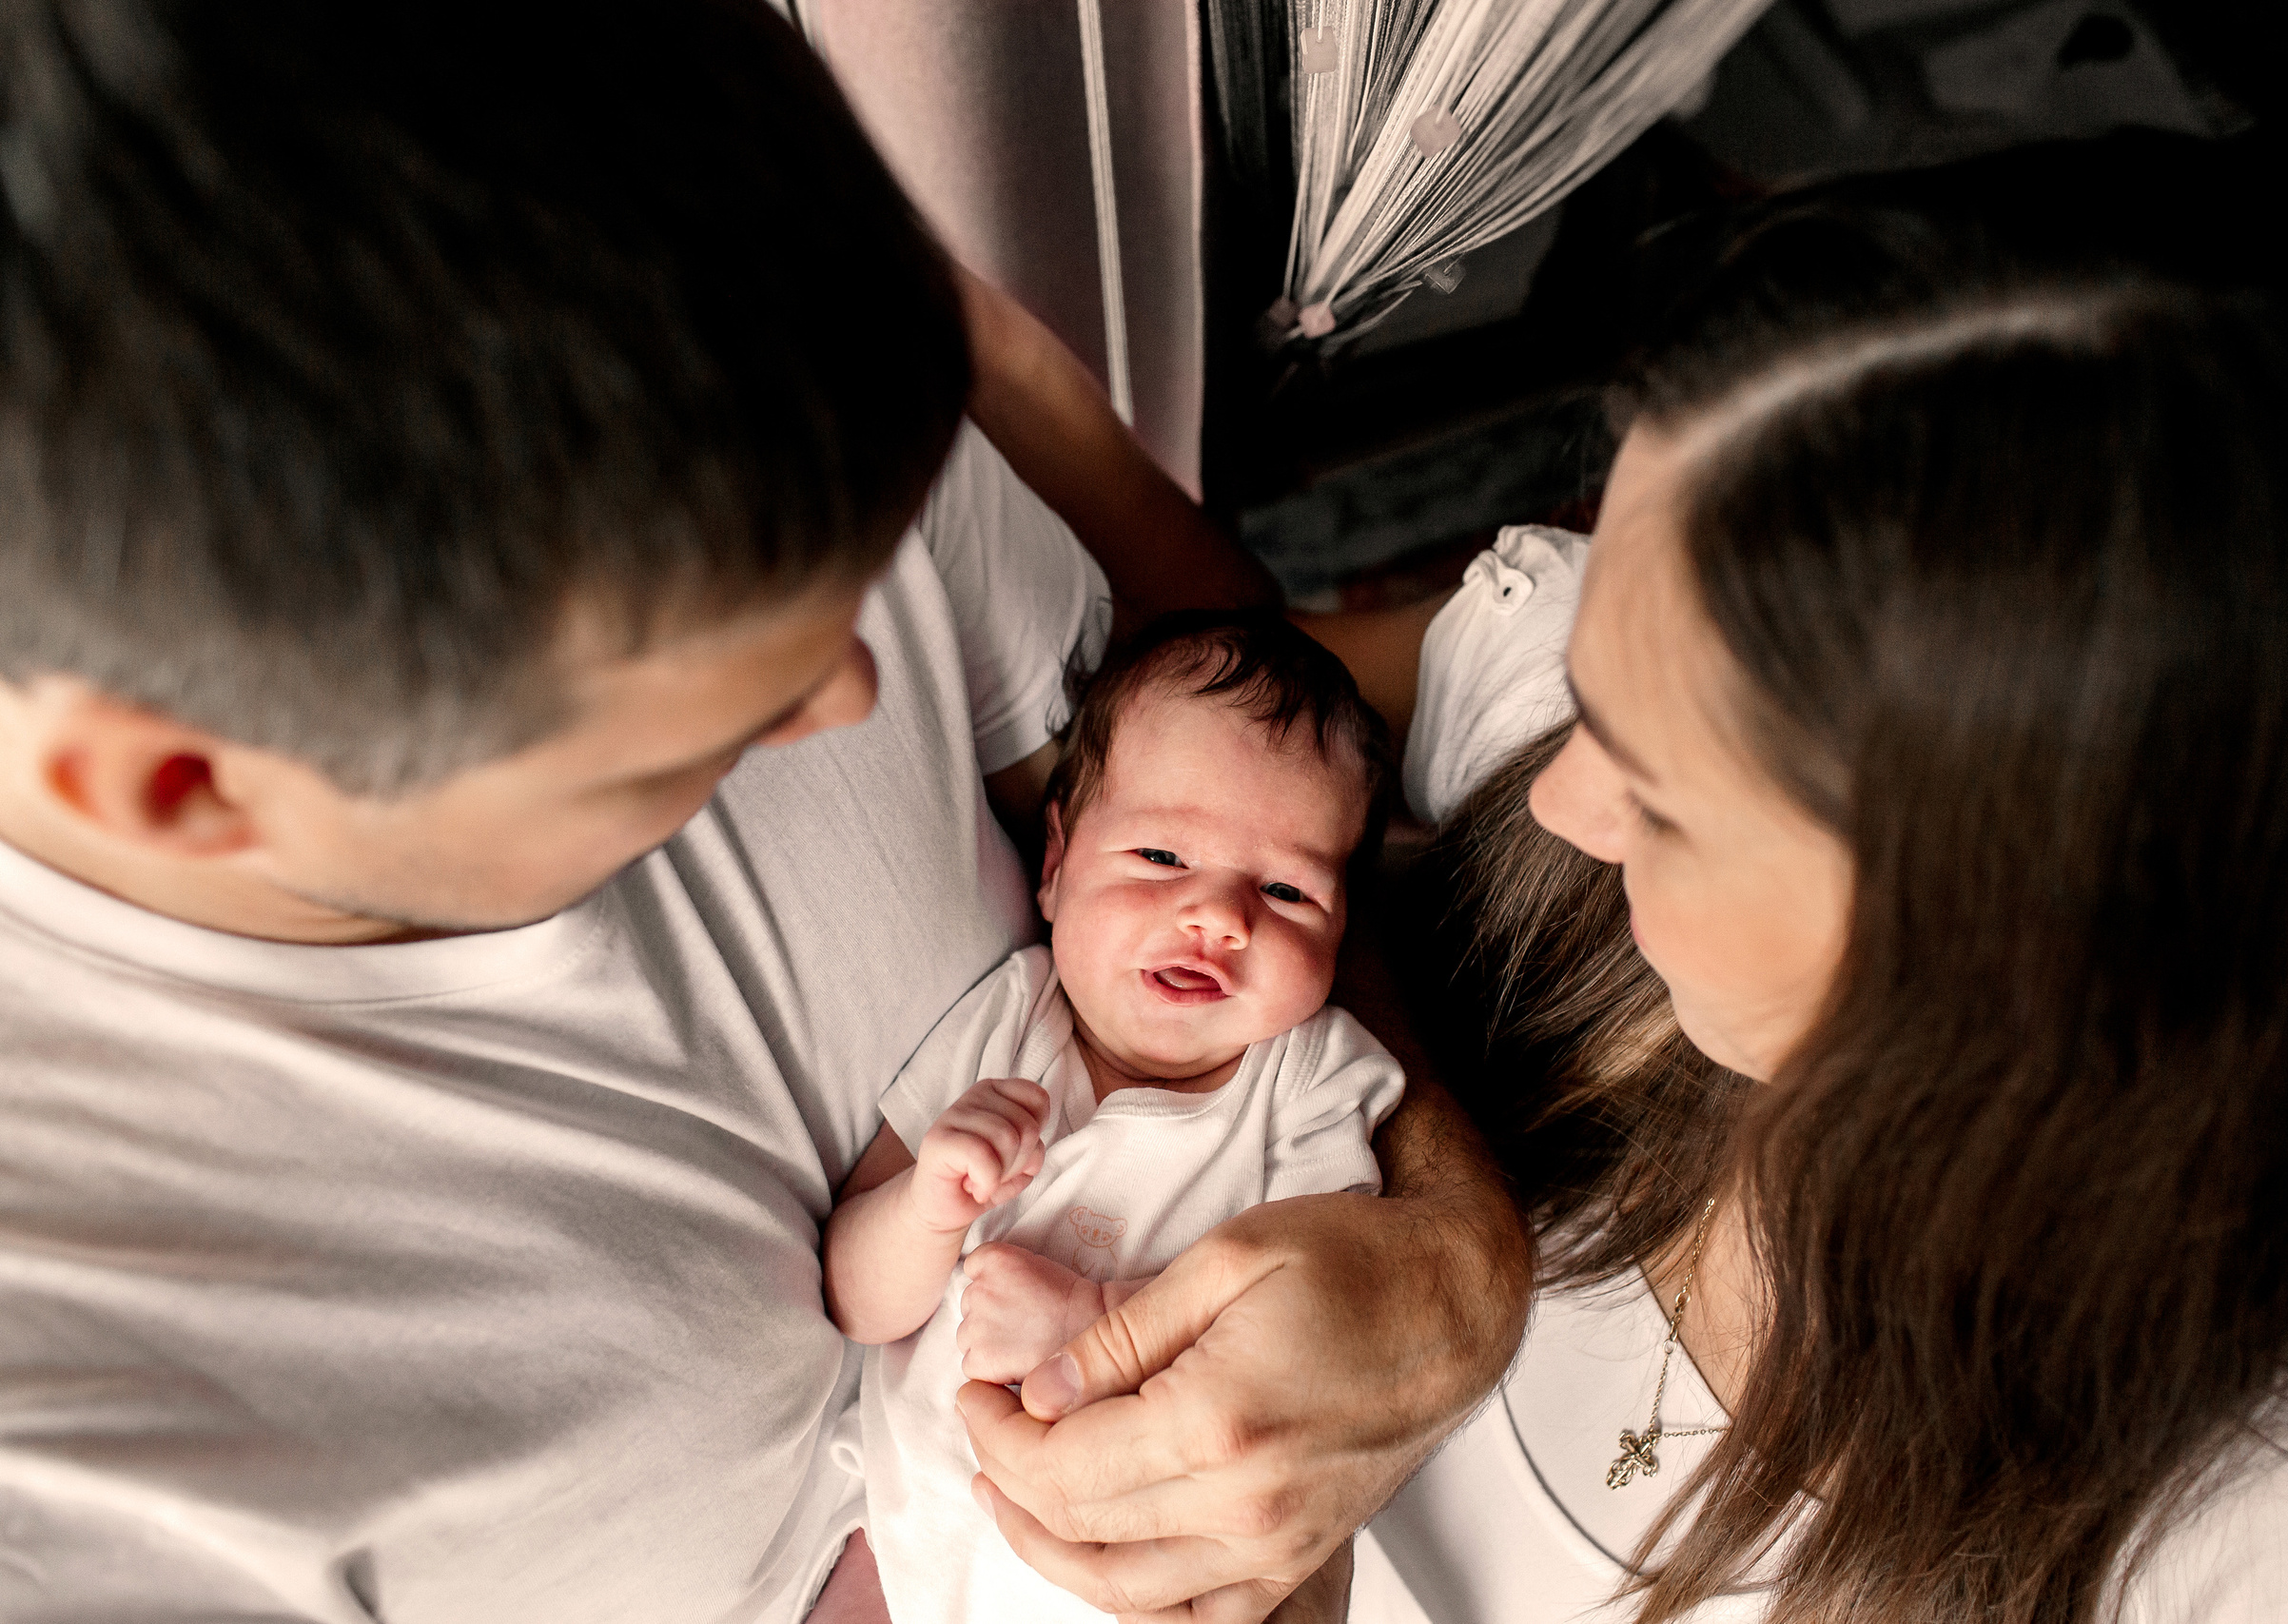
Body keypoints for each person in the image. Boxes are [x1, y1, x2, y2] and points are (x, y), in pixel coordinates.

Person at [0, 5, 1529, 1621]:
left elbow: (1219, 761)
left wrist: (1453, 1248)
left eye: (858, 585)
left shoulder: (765, 380)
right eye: (708, 711)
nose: (852, 698)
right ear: (189, 788)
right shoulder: (75, 1471)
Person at [1305, 134, 2288, 1622]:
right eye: (1590, 685)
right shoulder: (1648, 686)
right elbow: (1182, 707)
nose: (1561, 799)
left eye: (1666, 799)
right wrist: (1443, 1191)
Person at [824, 614, 1402, 1624]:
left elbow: (1314, 1344)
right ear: (1054, 864)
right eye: (1162, 854)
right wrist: (924, 1208)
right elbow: (855, 1301)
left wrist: (1095, 1326)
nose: (1219, 917)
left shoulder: (1312, 1083)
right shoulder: (1009, 1020)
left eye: (1285, 889)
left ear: (1344, 926)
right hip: (913, 1563)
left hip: (1146, 1593)